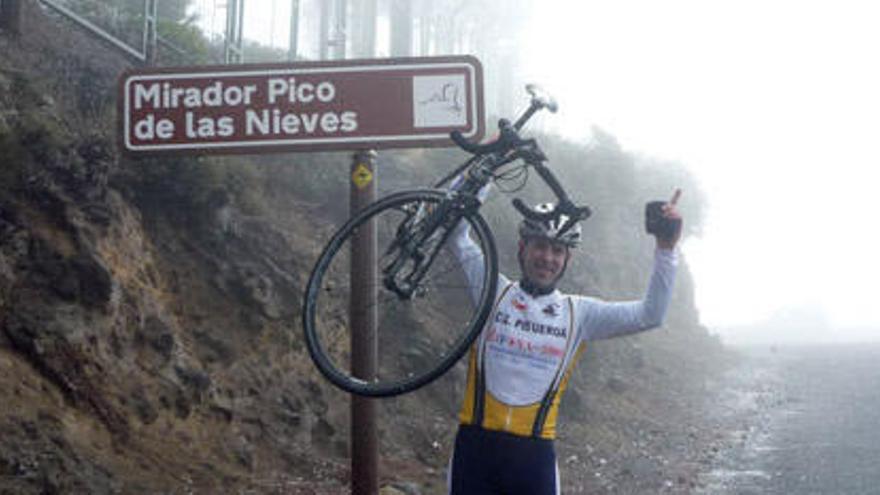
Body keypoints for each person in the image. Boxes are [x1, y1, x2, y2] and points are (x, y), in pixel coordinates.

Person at [446, 187, 683, 495]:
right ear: (522, 248)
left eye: (557, 251)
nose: (547, 257)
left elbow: (651, 314)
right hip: (475, 450)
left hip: (534, 457)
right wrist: (485, 174)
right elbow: (457, 235)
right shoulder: (492, 290)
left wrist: (666, 249)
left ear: (567, 258)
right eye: (540, 246)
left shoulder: (579, 313)